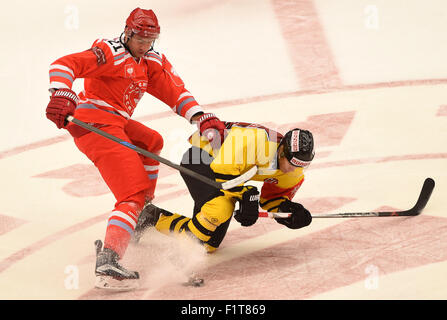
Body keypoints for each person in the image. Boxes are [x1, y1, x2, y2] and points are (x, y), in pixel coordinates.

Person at [45, 7, 226, 290]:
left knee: (150, 141)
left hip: (115, 121)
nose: (144, 45)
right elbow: (63, 65)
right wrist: (62, 93)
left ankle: (140, 214)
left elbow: (175, 92)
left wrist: (200, 117)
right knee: (132, 192)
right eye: (140, 39)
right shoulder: (110, 53)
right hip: (94, 122)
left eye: (150, 40)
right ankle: (108, 261)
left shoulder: (150, 60)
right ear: (127, 33)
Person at [134, 122, 314, 255]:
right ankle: (181, 253)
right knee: (220, 209)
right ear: (282, 150)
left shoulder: (293, 169)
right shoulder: (256, 142)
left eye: (301, 165)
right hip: (200, 158)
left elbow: (271, 199)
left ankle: (151, 217)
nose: (294, 169)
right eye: (291, 163)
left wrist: (288, 212)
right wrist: (245, 196)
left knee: (209, 243)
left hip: (229, 174)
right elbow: (222, 173)